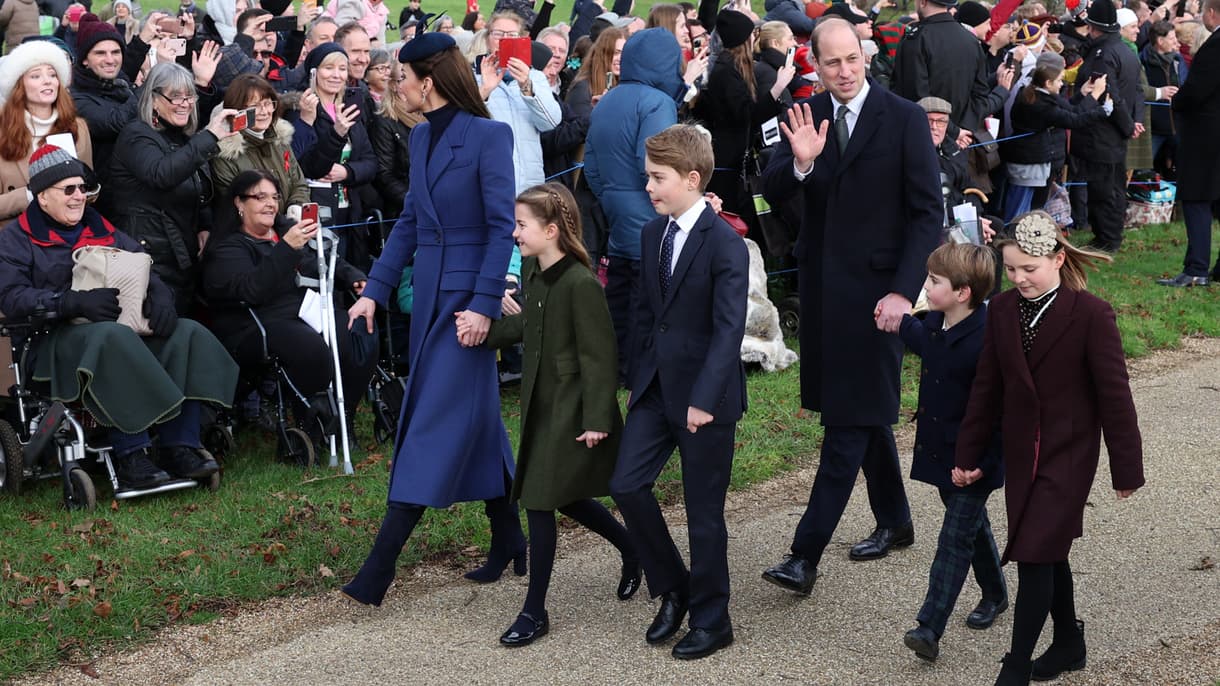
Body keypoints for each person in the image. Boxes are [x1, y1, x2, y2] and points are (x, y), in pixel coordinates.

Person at [340, 33, 525, 607]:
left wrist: (486, 304)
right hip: (430, 300)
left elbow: (502, 227)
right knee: (475, 419)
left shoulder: (490, 135)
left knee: (428, 425)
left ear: (430, 80)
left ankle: (379, 568)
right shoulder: (420, 138)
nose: (399, 85)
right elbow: (411, 223)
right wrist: (375, 290)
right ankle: (511, 539)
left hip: (468, 302)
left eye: (405, 76)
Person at [758, 18, 942, 596]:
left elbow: (925, 215)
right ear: (813, 62)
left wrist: (903, 291)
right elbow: (765, 188)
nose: (843, 71)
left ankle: (803, 555)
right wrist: (804, 163)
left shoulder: (905, 117)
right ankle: (897, 519)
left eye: (852, 60)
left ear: (864, 58)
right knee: (861, 413)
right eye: (831, 62)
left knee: (846, 424)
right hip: (820, 292)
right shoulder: (804, 113)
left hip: (879, 297)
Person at [952, 211, 1144, 685]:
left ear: (1058, 259)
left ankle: (1015, 666)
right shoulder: (999, 309)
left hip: (1070, 454)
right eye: (1011, 269)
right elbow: (987, 387)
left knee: (1036, 551)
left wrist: (1126, 468)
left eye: (1029, 269)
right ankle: (1068, 643)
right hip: (1022, 453)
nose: (1019, 278)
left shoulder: (1091, 314)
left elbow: (1115, 396)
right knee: (1048, 549)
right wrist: (968, 454)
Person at [0, 145, 237, 492]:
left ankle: (180, 445)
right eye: (69, 189)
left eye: (83, 188)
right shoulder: (16, 239)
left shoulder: (100, 226)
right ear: (42, 196)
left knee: (185, 332)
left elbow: (140, 261)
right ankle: (131, 454)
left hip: (114, 331)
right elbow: (12, 298)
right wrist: (72, 303)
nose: (79, 196)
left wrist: (159, 294)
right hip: (50, 343)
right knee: (112, 337)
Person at [475, 183, 640, 648]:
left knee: (540, 501)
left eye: (522, 226)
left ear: (551, 230)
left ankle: (534, 612)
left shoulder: (580, 283)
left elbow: (599, 357)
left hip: (571, 407)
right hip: (540, 403)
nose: (515, 233)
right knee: (559, 496)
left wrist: (598, 419)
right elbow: (528, 324)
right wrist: (484, 331)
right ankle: (632, 548)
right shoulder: (532, 269)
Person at [608, 124, 748, 661]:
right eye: (648, 176)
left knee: (703, 513)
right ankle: (673, 587)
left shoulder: (725, 244)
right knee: (626, 483)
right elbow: (646, 314)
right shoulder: (652, 233)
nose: (649, 187)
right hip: (654, 389)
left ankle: (714, 619)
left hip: (705, 401)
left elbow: (727, 330)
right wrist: (636, 379)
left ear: (692, 179)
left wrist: (703, 399)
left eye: (657, 178)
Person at [896, 243, 1007, 663]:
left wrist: (980, 464)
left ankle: (929, 625)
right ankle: (995, 593)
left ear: (963, 292)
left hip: (976, 460)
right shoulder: (941, 322)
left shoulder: (987, 339)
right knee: (972, 526)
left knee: (953, 539)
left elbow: (999, 412)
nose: (926, 285)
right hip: (944, 453)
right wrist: (898, 321)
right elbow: (927, 342)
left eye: (934, 281)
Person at [200, 170, 377, 430]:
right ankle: (311, 423)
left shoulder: (284, 231)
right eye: (260, 197)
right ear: (239, 202)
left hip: (302, 312)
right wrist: (285, 248)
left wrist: (351, 276)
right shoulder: (228, 247)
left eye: (274, 196)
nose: (271, 204)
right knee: (311, 347)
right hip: (256, 324)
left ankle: (343, 416)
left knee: (359, 330)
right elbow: (252, 290)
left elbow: (316, 263)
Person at [583, 27, 684, 383]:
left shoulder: (608, 98)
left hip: (615, 210)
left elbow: (591, 163)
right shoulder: (658, 102)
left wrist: (612, 196)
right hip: (649, 215)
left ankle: (617, 368)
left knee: (619, 297)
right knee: (648, 300)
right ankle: (643, 372)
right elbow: (656, 161)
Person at [107, 62, 234, 314]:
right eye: (175, 96)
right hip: (148, 256)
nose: (185, 103)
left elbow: (198, 188)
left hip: (180, 252)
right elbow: (162, 174)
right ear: (153, 99)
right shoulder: (136, 135)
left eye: (189, 96)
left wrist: (205, 225)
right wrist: (209, 136)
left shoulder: (183, 137)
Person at [694, 9, 794, 222]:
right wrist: (778, 88)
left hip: (731, 157)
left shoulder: (729, 68)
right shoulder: (725, 72)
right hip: (726, 162)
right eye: (751, 34)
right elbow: (746, 116)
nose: (753, 39)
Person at [1070, 0, 1144, 253]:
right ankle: (1106, 235)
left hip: (1103, 132)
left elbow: (1108, 93)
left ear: (1094, 28)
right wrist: (1134, 121)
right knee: (1109, 187)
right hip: (1113, 130)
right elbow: (1135, 90)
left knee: (1105, 190)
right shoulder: (1124, 51)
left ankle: (1107, 238)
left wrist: (1126, 124)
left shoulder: (1103, 55)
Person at [1000, 52, 1109, 220]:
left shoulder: (1038, 93)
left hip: (1032, 161)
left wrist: (1083, 93)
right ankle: (1009, 242)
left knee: (1029, 211)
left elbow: (1068, 110)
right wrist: (1100, 104)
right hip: (1028, 164)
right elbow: (1075, 120)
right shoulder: (1040, 104)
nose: (1061, 84)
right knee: (1019, 213)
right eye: (1059, 80)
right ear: (1048, 82)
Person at [1158, 0, 1219, 287]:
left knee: (1196, 199)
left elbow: (1198, 89)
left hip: (1206, 136)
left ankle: (1197, 268)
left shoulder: (1216, 45)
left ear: (1210, 12)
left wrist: (1177, 100)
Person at [0, 41, 95, 223]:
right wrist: (29, 194)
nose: (47, 80)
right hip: (13, 239)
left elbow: (88, 194)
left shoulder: (78, 127)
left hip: (65, 236)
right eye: (36, 76)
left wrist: (82, 190)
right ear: (19, 86)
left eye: (52, 74)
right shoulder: (2, 130)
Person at [477, 10, 562, 194]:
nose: (503, 40)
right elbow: (463, 127)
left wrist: (527, 85)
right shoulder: (473, 80)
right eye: (498, 34)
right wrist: (485, 90)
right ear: (487, 39)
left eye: (511, 36)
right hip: (491, 184)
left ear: (522, 40)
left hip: (530, 184)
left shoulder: (536, 77)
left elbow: (551, 122)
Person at [212, 74, 311, 216]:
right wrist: (283, 226)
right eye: (255, 106)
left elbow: (298, 183)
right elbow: (239, 206)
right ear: (237, 110)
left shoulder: (280, 140)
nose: (264, 112)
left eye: (267, 103)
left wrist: (295, 207)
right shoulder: (226, 153)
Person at [370, 60, 424, 218]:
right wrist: (415, 202)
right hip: (405, 210)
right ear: (393, 85)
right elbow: (384, 175)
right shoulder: (385, 120)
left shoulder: (430, 114)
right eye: (403, 79)